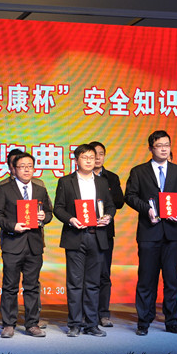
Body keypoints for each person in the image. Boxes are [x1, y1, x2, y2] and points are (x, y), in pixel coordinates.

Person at [124, 130, 177, 335]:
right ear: (150, 148)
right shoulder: (139, 171)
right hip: (149, 232)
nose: (163, 149)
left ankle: (172, 321)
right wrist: (147, 209)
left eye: (166, 145)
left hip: (172, 233)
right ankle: (144, 320)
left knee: (171, 280)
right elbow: (130, 196)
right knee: (146, 279)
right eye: (159, 145)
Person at [54, 144, 116, 337]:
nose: (89, 160)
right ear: (76, 160)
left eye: (92, 157)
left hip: (97, 236)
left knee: (93, 283)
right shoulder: (66, 181)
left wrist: (108, 216)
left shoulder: (102, 182)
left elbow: (111, 206)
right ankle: (74, 324)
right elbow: (58, 208)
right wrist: (71, 219)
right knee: (74, 282)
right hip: (75, 236)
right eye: (84, 157)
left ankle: (91, 324)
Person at [0, 152, 53, 338]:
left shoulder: (40, 189)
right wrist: (12, 226)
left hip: (34, 244)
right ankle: (8, 324)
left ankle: (32, 324)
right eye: (22, 166)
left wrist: (44, 217)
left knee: (32, 286)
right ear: (14, 169)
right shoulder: (5, 189)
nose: (26, 169)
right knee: (10, 286)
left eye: (30, 166)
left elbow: (49, 212)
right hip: (12, 243)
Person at [89, 141, 124, 328]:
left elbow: (119, 202)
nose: (97, 157)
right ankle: (87, 313)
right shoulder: (78, 178)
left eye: (101, 154)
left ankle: (103, 313)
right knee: (86, 274)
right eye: (93, 154)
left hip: (105, 231)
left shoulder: (111, 177)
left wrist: (104, 196)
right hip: (84, 230)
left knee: (104, 273)